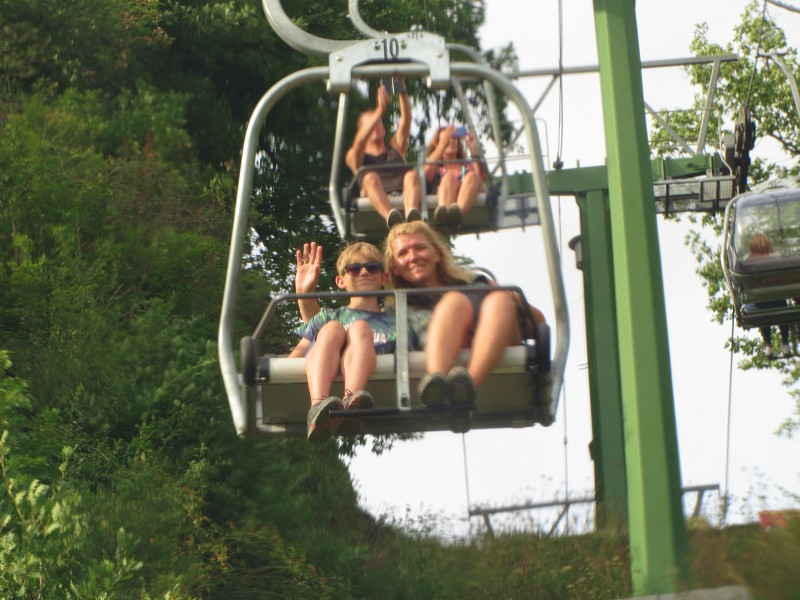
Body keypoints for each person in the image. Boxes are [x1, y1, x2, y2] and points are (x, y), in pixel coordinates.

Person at [383, 220, 543, 406]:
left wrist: (511, 297)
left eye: (420, 248)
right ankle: (436, 381)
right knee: (454, 302)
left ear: (437, 254)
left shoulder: (474, 282)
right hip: (444, 346)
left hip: (494, 336)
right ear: (395, 268)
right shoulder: (398, 308)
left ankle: (468, 388)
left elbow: (538, 323)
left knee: (495, 300)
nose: (413, 257)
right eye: (403, 253)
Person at [288, 242, 395, 441]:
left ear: (384, 277)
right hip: (325, 355)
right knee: (332, 329)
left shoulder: (395, 322)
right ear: (340, 280)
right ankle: (318, 405)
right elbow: (301, 350)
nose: (363, 272)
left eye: (371, 267)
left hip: (376, 369)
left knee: (360, 328)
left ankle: (351, 402)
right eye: (354, 269)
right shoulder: (327, 317)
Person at [346, 83, 423, 230]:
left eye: (379, 122)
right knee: (370, 177)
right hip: (376, 195)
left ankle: (412, 217)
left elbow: (406, 120)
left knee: (412, 175)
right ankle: (392, 218)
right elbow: (360, 142)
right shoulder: (355, 155)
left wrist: (402, 91)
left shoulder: (395, 147)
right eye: (372, 123)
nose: (377, 126)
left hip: (403, 192)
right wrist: (380, 109)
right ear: (363, 130)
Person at [424, 125, 488, 231]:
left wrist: (474, 151)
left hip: (467, 191)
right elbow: (426, 173)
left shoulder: (467, 166)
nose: (452, 141)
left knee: (472, 176)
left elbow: (480, 179)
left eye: (455, 139)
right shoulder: (436, 167)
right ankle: (444, 213)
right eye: (448, 138)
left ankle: (457, 214)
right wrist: (442, 145)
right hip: (444, 190)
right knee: (449, 178)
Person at [747, 232, 791, 359]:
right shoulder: (775, 258)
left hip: (757, 306)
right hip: (777, 302)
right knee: (782, 308)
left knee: (761, 310)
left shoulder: (746, 260)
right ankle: (785, 343)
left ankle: (768, 345)